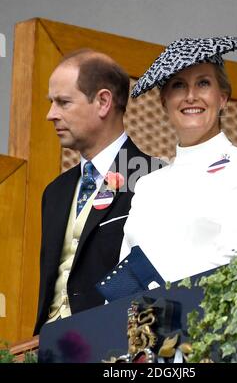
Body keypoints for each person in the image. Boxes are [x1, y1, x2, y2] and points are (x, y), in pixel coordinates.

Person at [120, 36, 237, 283]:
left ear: (222, 98)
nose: (191, 96)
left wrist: (160, 300)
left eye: (203, 83)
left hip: (208, 316)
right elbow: (126, 275)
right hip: (143, 320)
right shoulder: (147, 185)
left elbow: (234, 258)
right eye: (179, 85)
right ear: (164, 103)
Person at [34, 49, 163, 334]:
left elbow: (154, 276)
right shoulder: (54, 192)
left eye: (63, 102)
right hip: (47, 346)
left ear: (103, 102)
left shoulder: (154, 178)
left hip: (111, 343)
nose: (50, 115)